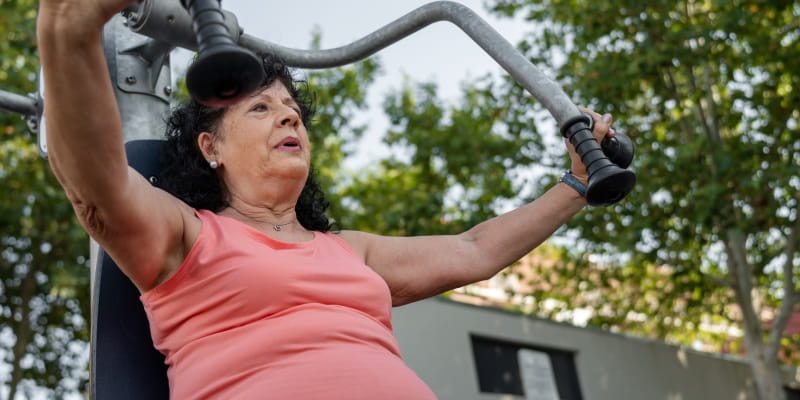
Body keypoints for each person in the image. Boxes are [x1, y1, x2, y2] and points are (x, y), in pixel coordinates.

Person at [37, 0, 617, 398]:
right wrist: (67, 28)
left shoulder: (347, 250)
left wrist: (576, 184)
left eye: (292, 110)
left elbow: (474, 250)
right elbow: (97, 188)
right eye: (260, 108)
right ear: (210, 147)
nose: (289, 116)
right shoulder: (187, 235)